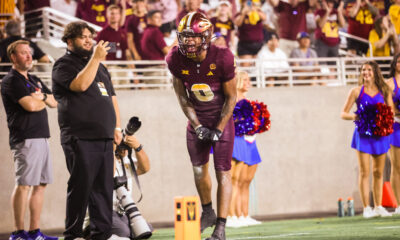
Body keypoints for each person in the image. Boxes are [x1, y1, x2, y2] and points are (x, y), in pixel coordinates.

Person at [166, 12, 237, 240]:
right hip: (196, 122)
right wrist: (197, 126)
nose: (187, 41)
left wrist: (218, 127)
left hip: (220, 121)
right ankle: (207, 211)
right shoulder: (175, 58)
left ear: (205, 37)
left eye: (193, 37)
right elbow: (182, 98)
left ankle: (221, 227)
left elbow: (231, 98)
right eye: (184, 36)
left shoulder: (223, 56)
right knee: (198, 169)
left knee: (223, 172)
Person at [52, 21, 122, 240]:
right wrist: (96, 58)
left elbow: (111, 98)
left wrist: (117, 128)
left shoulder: (100, 67)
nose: (89, 40)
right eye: (83, 36)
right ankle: (73, 235)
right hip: (80, 137)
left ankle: (102, 234)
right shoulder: (63, 65)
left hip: (104, 137)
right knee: (82, 188)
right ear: (69, 40)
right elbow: (80, 85)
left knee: (103, 189)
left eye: (90, 36)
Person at [1, 40, 58, 240]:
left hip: (42, 137)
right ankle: (18, 233)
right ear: (13, 57)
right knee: (24, 184)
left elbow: (54, 102)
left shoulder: (34, 79)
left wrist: (40, 97)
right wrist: (41, 98)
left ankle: (34, 233)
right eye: (23, 53)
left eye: (30, 52)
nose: (28, 56)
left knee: (40, 184)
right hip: (25, 138)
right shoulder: (11, 81)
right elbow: (30, 106)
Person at [340, 60, 394, 218]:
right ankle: (366, 208)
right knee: (365, 172)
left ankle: (378, 206)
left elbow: (390, 111)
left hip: (380, 134)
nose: (366, 72)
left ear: (375, 72)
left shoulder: (384, 90)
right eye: (363, 70)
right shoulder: (356, 91)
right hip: (363, 135)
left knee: (378, 172)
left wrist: (383, 119)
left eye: (369, 70)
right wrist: (357, 116)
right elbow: (343, 113)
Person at [83, 134, 151, 239]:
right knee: (124, 232)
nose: (123, 148)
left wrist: (138, 147)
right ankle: (90, 233)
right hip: (102, 212)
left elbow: (145, 168)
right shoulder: (101, 159)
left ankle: (115, 231)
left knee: (145, 229)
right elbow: (109, 172)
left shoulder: (126, 162)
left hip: (121, 212)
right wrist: (110, 149)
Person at [227, 71, 262, 228]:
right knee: (234, 180)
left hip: (250, 142)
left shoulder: (247, 102)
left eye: (249, 80)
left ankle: (243, 214)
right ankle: (230, 216)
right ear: (239, 81)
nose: (249, 82)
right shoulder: (233, 99)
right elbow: (230, 121)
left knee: (246, 181)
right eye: (245, 80)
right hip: (237, 141)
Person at [386, 53, 400, 215]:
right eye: (398, 62)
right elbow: (388, 106)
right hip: (395, 126)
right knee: (397, 166)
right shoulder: (390, 83)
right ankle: (398, 205)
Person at [235, 0, 266, 67]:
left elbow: (264, 18)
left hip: (258, 44)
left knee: (258, 67)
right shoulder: (239, 14)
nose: (249, 3)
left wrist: (255, 9)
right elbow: (238, 23)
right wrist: (243, 13)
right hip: (245, 45)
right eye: (246, 1)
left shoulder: (258, 12)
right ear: (242, 3)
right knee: (246, 67)